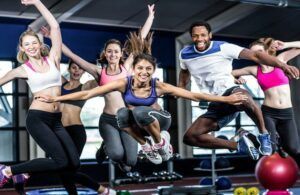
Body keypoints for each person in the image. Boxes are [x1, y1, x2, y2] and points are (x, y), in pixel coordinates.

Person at [36, 53, 247, 165]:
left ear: (153, 70)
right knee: (122, 114)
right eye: (140, 68)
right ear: (133, 70)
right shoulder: (123, 83)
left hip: (161, 120)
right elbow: (86, 94)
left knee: (138, 112)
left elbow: (193, 95)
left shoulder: (159, 85)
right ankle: (146, 144)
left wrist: (226, 99)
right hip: (140, 124)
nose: (144, 72)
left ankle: (160, 141)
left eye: (148, 69)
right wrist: (56, 96)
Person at [178, 21, 300, 160]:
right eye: (195, 36)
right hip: (221, 102)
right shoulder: (184, 54)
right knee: (190, 137)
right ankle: (238, 145)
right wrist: (180, 88)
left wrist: (284, 60)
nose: (199, 39)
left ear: (210, 35)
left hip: (241, 95)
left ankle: (265, 135)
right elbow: (184, 71)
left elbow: (256, 56)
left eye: (203, 35)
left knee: (293, 148)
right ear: (191, 36)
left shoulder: (224, 47)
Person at [58, 4, 155, 171]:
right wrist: (54, 38)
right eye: (109, 51)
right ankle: (106, 149)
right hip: (108, 120)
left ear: (121, 54)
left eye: (116, 52)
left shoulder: (126, 67)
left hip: (127, 120)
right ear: (105, 54)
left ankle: (109, 148)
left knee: (130, 163)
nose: (113, 55)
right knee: (117, 155)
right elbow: (73, 55)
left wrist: (150, 17)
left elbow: (140, 40)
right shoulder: (98, 72)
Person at [0, 0, 79, 189]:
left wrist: (36, 2)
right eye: (27, 44)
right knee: (60, 161)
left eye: (34, 42)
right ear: (22, 49)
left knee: (74, 163)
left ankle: (22, 172)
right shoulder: (22, 70)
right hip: (38, 119)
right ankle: (8, 171)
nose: (31, 46)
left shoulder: (53, 58)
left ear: (39, 44)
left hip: (56, 119)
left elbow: (55, 26)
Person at [232, 38, 300, 161]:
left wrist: (286, 44)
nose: (258, 55)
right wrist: (235, 79)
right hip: (269, 113)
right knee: (270, 150)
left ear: (266, 51)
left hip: (287, 113)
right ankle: (245, 134)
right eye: (254, 53)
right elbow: (230, 73)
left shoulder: (280, 60)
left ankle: (279, 143)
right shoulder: (253, 70)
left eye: (260, 51)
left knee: (294, 149)